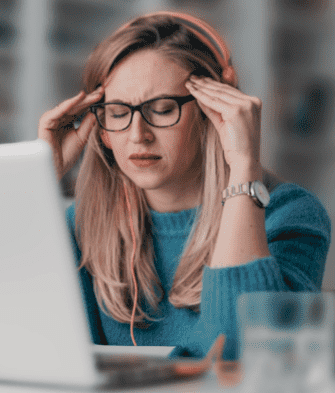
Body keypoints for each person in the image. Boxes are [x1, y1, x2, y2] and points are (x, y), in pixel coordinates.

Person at [38, 11, 331, 360]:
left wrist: (243, 170)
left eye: (162, 110)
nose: (138, 135)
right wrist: (39, 180)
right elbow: (21, 339)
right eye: (117, 113)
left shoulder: (289, 214)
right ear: (99, 128)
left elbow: (238, 357)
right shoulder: (81, 224)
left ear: (213, 110)